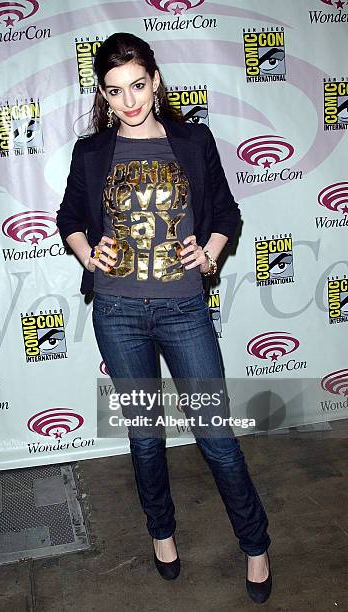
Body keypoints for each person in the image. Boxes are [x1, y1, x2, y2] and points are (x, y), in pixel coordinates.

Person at [56, 32, 272, 603]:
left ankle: (255, 544)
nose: (130, 101)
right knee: (146, 438)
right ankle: (162, 533)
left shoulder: (192, 141)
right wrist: (87, 250)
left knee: (216, 437)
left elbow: (225, 209)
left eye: (138, 85)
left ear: (154, 79)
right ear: (103, 94)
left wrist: (211, 251)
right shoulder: (92, 152)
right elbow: (69, 215)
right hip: (119, 310)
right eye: (115, 91)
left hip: (183, 308)